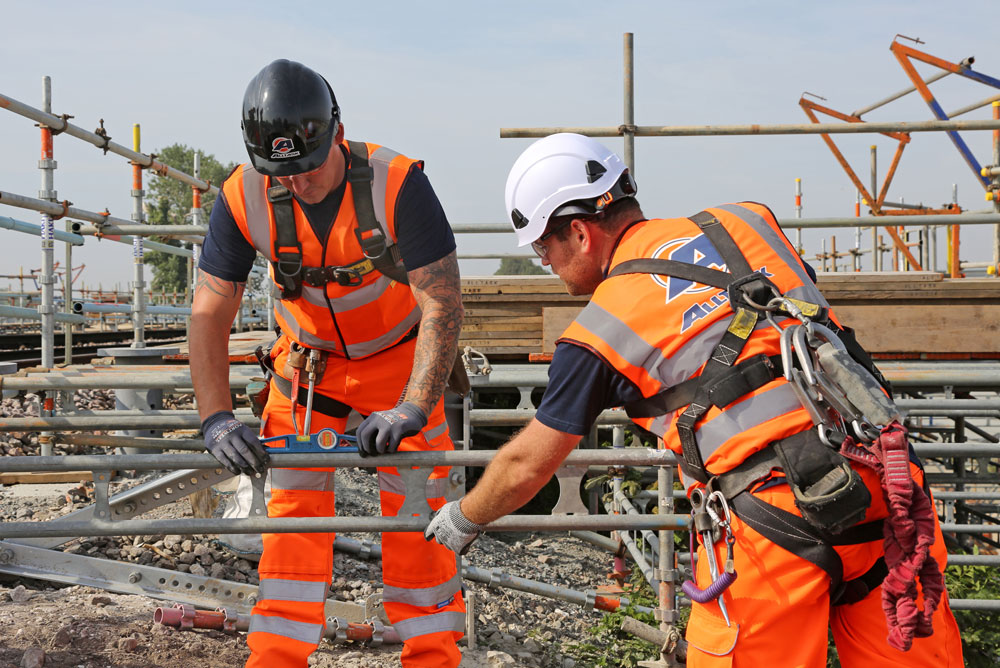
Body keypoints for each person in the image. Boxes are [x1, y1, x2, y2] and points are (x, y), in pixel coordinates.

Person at [425, 133, 965, 666]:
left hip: (772, 524)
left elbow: (527, 465)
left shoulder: (599, 331)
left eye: (544, 246)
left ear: (581, 232)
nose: (545, 262)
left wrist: (465, 518)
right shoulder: (748, 220)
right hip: (886, 481)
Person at [189, 59, 466, 668]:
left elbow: (441, 298)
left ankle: (434, 657)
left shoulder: (397, 183)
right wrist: (216, 418)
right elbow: (211, 311)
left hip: (399, 363)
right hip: (308, 374)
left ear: (338, 134)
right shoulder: (243, 196)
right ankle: (276, 657)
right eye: (281, 173)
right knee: (292, 522)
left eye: (309, 167)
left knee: (419, 517)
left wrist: (416, 404)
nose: (298, 183)